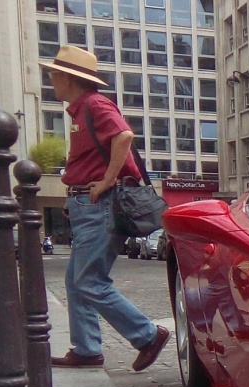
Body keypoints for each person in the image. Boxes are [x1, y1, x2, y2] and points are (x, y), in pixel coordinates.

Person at [41, 46, 169, 370]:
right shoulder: (81, 110)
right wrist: (77, 196)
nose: (51, 80)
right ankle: (86, 349)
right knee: (76, 280)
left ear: (68, 78)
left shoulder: (95, 104)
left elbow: (124, 135)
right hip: (88, 203)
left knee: (89, 280)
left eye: (54, 74)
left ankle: (147, 335)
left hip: (100, 204)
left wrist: (106, 182)